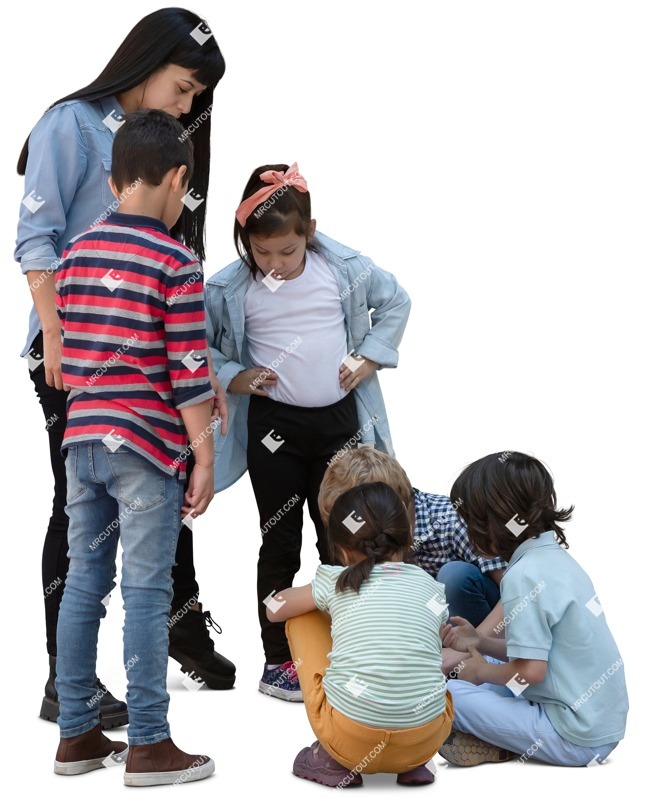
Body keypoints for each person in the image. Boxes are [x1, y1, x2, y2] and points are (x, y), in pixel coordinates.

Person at [14, 8, 233, 724]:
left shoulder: (156, 145)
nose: (188, 103)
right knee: (78, 515)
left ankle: (178, 627)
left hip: (151, 358)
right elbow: (36, 238)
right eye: (184, 84)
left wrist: (200, 371)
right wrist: (58, 337)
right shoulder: (70, 124)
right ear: (147, 61)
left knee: (163, 492)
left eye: (198, 94)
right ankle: (65, 683)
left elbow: (180, 267)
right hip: (77, 356)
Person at [204, 163, 410, 700]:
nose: (273, 264)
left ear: (309, 233)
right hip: (276, 428)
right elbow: (196, 344)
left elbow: (397, 302)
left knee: (341, 536)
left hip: (338, 421)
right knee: (279, 538)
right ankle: (278, 661)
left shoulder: (343, 270)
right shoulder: (230, 287)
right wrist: (235, 376)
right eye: (261, 252)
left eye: (286, 252)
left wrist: (369, 358)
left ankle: (348, 644)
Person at [53, 109, 216, 785]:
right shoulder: (176, 260)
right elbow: (188, 370)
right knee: (148, 592)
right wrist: (202, 454)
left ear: (115, 179)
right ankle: (149, 742)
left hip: (82, 441)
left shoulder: (75, 253)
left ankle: (76, 736)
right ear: (178, 177)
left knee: (83, 585)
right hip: (145, 448)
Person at [440, 451, 628, 767]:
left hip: (573, 736)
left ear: (493, 522)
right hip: (598, 724)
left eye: (471, 521)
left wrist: (480, 669)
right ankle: (501, 737)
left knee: (450, 695)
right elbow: (539, 655)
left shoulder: (522, 576)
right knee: (477, 676)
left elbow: (529, 672)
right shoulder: (557, 560)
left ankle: (501, 743)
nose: (468, 532)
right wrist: (480, 643)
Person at [266, 482, 454, 787]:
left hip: (350, 740)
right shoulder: (430, 586)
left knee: (300, 618)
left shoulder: (335, 580)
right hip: (427, 737)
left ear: (339, 548)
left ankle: (330, 758)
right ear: (407, 531)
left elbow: (274, 609)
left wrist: (311, 600)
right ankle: (413, 763)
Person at [318, 447, 507, 628]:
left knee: (454, 576)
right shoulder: (363, 540)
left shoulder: (451, 520)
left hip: (488, 623)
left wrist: (476, 643)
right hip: (425, 624)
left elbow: (515, 590)